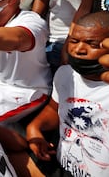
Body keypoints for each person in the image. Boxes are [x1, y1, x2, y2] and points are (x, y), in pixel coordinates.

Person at [26, 11, 109, 176]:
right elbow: (54, 108)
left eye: (92, 44)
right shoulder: (65, 74)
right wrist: (35, 127)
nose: (78, 49)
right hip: (63, 168)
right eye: (74, 41)